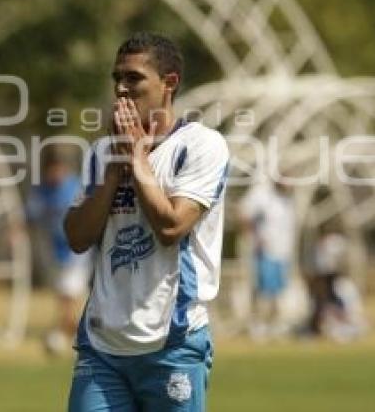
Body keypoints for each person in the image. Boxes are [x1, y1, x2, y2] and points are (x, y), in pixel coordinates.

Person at [64, 33, 230, 412]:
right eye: (116, 78)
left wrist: (138, 161)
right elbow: (76, 236)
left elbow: (171, 227)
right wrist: (113, 172)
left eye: (134, 78)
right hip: (103, 347)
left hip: (171, 343)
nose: (121, 89)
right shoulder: (102, 152)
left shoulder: (201, 146)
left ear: (168, 83)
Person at [25, 147, 92, 355]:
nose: (55, 175)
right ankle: (75, 336)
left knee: (69, 296)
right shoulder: (42, 192)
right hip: (56, 252)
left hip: (79, 250)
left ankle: (64, 335)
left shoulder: (75, 188)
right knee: (65, 298)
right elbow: (29, 215)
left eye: (58, 169)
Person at [237, 178, 297, 340]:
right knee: (262, 290)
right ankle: (258, 324)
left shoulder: (287, 201)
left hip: (282, 253)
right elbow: (244, 213)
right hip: (266, 252)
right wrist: (252, 238)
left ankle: (274, 325)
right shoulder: (262, 195)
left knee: (277, 292)